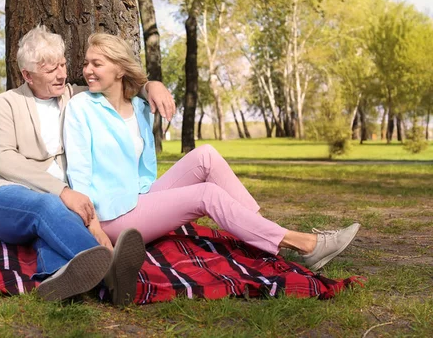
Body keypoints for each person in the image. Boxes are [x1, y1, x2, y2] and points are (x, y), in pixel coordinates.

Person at [63, 33, 361, 272]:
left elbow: (142, 167)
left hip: (139, 197)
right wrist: (93, 226)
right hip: (111, 216)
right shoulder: (81, 107)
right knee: (206, 194)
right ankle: (306, 244)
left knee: (205, 154)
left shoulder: (140, 108)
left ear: (119, 69)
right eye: (87, 63)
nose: (87, 70)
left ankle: (264, 233)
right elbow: (79, 174)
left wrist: (153, 84)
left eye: (96, 64)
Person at [0, 26, 176, 305]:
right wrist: (62, 191)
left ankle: (55, 279)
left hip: (57, 204)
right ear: (27, 75)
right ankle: (113, 273)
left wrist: (151, 85)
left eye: (62, 64)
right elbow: (4, 160)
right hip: (5, 198)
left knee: (53, 225)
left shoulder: (74, 96)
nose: (61, 74)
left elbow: (120, 87)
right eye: (50, 70)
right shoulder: (7, 103)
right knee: (48, 207)